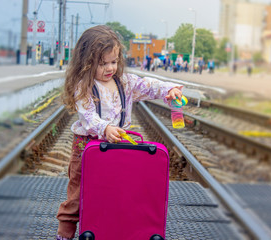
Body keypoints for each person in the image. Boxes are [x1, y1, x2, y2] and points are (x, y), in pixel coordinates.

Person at [56, 25, 183, 240]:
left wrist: (168, 89)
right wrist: (104, 128)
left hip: (118, 147)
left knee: (116, 190)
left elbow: (149, 85)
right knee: (78, 194)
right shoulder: (84, 86)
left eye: (113, 62)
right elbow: (88, 116)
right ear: (86, 63)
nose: (109, 68)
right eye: (102, 63)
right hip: (87, 146)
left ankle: (112, 229)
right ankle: (64, 233)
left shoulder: (125, 83)